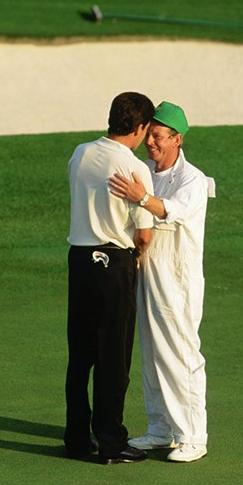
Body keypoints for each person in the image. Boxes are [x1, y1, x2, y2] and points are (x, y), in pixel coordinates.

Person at [108, 101, 213, 463]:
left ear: (177, 139)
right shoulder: (147, 173)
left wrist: (143, 198)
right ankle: (160, 429)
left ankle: (193, 435)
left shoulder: (192, 180)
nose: (150, 142)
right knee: (152, 354)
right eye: (148, 134)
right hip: (147, 273)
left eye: (157, 136)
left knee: (181, 354)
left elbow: (175, 211)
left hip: (178, 280)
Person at [65, 91, 157, 464]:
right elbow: (145, 232)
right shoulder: (135, 168)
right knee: (113, 358)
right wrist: (137, 254)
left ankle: (75, 437)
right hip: (114, 265)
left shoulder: (81, 153)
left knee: (81, 356)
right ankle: (111, 441)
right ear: (140, 127)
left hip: (80, 261)